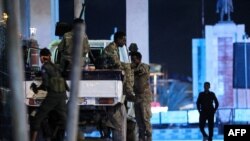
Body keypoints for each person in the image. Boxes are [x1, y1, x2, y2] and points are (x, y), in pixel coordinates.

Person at [30, 48, 68, 141]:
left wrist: (36, 88)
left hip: (53, 96)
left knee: (38, 117)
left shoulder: (44, 67)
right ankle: (76, 136)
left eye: (40, 57)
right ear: (50, 56)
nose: (40, 59)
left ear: (42, 57)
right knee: (65, 119)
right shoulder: (56, 66)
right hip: (62, 95)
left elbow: (46, 84)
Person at [131, 52, 152, 141]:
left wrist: (130, 69)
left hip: (144, 97)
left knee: (145, 118)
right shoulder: (133, 69)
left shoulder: (144, 67)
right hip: (137, 97)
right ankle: (141, 138)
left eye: (134, 59)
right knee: (139, 120)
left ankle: (149, 138)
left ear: (139, 59)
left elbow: (142, 70)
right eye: (132, 59)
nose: (133, 61)